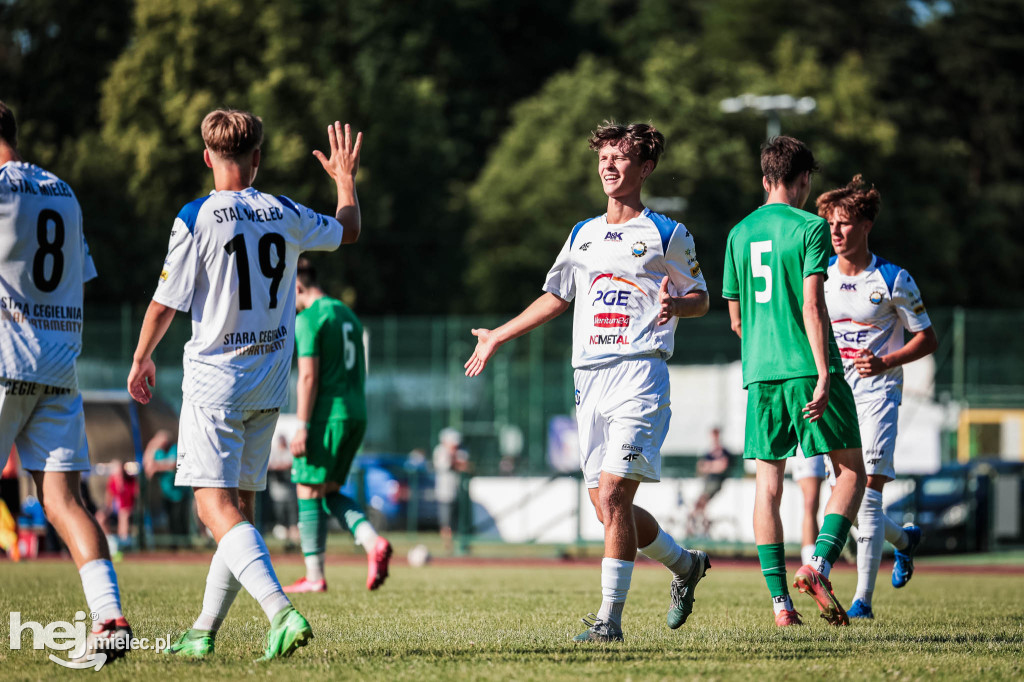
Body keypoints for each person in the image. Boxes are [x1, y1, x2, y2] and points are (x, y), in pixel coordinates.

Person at [127, 110, 363, 659]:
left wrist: (141, 357)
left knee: (213, 510)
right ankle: (203, 631)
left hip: (216, 384)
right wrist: (344, 179)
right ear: (256, 159)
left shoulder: (196, 216)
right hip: (268, 384)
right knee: (241, 512)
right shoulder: (283, 211)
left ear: (208, 157)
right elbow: (348, 229)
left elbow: (166, 303)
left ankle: (281, 612)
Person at [466, 122, 712, 642]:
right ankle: (685, 565)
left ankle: (609, 622)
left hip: (640, 373)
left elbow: (703, 297)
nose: (608, 165)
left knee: (616, 496)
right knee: (606, 505)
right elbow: (557, 296)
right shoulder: (582, 234)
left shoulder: (667, 232)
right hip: (589, 378)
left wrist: (679, 305)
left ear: (645, 168)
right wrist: (497, 337)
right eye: (604, 157)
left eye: (620, 158)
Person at [0, 100, 132, 659]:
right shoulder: (63, 192)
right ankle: (110, 618)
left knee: (58, 500)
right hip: (58, 364)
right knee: (63, 500)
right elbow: (82, 273)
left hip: (5, 357)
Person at [722, 136, 866, 627]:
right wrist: (825, 370)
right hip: (806, 367)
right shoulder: (810, 228)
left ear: (765, 179)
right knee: (850, 473)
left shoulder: (739, 234)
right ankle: (819, 564)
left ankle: (781, 606)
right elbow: (812, 305)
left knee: (768, 487)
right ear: (804, 180)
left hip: (759, 375)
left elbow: (736, 319)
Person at [817, 175, 937, 619]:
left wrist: (886, 362)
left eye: (845, 223)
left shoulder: (892, 279)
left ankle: (862, 602)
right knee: (845, 501)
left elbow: (927, 339)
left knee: (866, 494)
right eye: (831, 223)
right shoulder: (821, 277)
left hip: (879, 394)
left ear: (866, 225)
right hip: (835, 397)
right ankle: (905, 541)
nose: (836, 231)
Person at [283, 257, 392, 594]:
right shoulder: (348, 315)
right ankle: (373, 542)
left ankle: (314, 577)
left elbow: (308, 376)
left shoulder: (309, 318)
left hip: (326, 416)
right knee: (328, 494)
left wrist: (301, 424)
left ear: (297, 286)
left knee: (306, 488)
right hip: (355, 413)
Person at [144, 430, 193, 548]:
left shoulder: (175, 448)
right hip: (166, 492)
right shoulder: (158, 452)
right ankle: (174, 547)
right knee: (170, 520)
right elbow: (147, 465)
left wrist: (158, 466)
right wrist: (152, 445)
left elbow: (173, 465)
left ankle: (185, 546)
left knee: (180, 520)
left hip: (180, 493)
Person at [686, 427, 734, 537]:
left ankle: (701, 529)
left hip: (715, 482)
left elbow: (722, 466)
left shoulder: (723, 451)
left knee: (701, 502)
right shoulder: (709, 452)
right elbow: (701, 467)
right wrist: (713, 466)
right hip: (707, 482)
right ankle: (700, 528)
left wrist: (709, 466)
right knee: (699, 505)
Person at [433, 427, 470, 553]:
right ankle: (449, 547)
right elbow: (448, 465)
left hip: (460, 492)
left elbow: (465, 466)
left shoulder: (462, 450)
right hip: (445, 493)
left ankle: (463, 545)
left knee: (460, 522)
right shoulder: (440, 451)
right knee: (446, 522)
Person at [790, 450, 827, 566]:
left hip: (840, 435)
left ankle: (848, 531)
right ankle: (810, 567)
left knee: (852, 498)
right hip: (812, 436)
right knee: (811, 503)